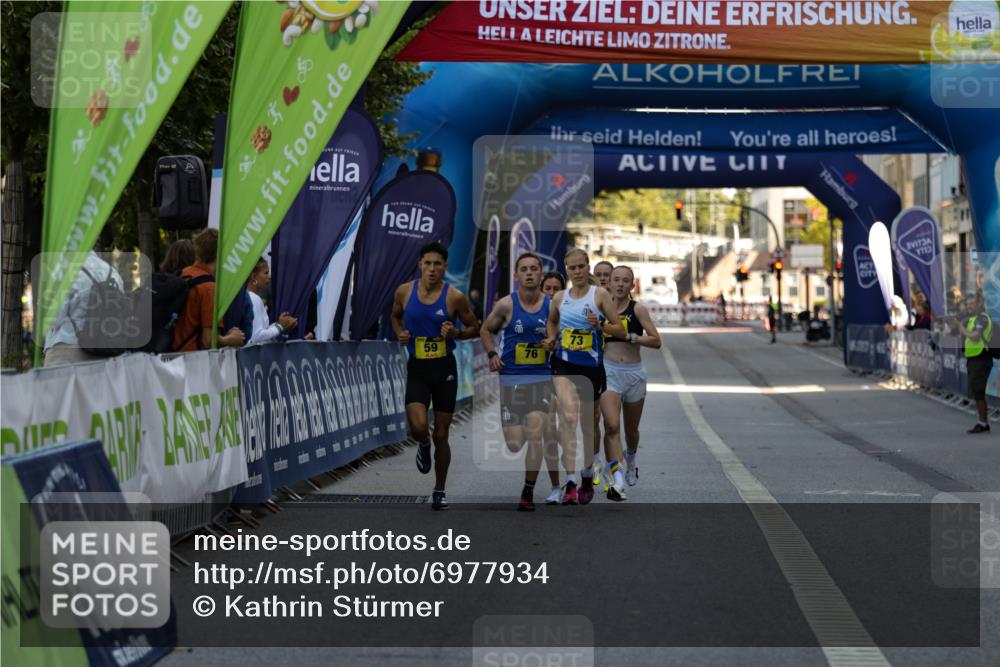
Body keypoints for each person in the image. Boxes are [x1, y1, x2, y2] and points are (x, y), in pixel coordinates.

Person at [391, 242, 479, 510]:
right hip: (418, 367)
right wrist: (399, 333)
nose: (431, 269)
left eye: (437, 264)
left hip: (444, 370)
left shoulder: (455, 297)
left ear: (445, 267)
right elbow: (395, 317)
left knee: (442, 433)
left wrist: (457, 334)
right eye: (427, 263)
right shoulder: (405, 291)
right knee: (419, 427)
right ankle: (422, 443)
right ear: (420, 265)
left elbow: (474, 326)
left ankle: (439, 490)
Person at [543, 248, 625, 504]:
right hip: (564, 364)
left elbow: (620, 330)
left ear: (587, 267)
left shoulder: (599, 295)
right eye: (572, 268)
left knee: (589, 423)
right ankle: (570, 480)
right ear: (566, 269)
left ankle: (588, 474)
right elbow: (552, 321)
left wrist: (599, 325)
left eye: (581, 267)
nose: (577, 272)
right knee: (567, 416)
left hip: (591, 367)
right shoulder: (559, 298)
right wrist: (552, 338)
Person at [481, 253, 554, 511]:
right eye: (524, 269)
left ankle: (528, 491)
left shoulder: (553, 305)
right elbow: (485, 329)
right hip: (511, 379)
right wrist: (492, 354)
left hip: (542, 378)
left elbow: (564, 334)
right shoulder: (506, 305)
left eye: (534, 269)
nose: (530, 273)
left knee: (536, 434)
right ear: (516, 275)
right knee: (514, 443)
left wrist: (553, 342)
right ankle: (520, 435)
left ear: (541, 274)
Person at [602, 265, 661, 489]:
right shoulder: (601, 309)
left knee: (631, 430)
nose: (619, 284)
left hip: (634, 373)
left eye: (625, 281)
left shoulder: (638, 310)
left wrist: (631, 337)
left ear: (631, 285)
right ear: (609, 283)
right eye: (616, 280)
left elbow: (656, 341)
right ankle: (616, 476)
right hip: (609, 372)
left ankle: (631, 458)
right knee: (612, 425)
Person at [43, 251, 124, 367]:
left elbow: (54, 319)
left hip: (67, 351)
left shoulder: (64, 272)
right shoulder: (114, 273)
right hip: (105, 354)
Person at [173, 229, 245, 351]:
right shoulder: (209, 288)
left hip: (172, 358)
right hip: (194, 360)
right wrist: (232, 339)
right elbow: (208, 341)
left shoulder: (183, 274)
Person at [539, 271, 567, 504]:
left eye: (555, 289)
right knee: (548, 432)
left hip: (564, 375)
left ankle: (569, 481)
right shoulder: (532, 312)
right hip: (537, 377)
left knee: (561, 430)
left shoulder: (569, 312)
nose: (550, 293)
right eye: (546, 288)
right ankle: (556, 485)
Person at [961, 292, 994, 434]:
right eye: (968, 304)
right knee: (976, 392)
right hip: (974, 359)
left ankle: (983, 423)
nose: (969, 307)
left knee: (979, 392)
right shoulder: (972, 319)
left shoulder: (982, 318)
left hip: (981, 359)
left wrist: (962, 329)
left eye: (972, 304)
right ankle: (982, 422)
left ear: (980, 303)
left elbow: (975, 336)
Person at [246, 258, 297, 345]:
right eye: (266, 273)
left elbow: (259, 332)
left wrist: (279, 324)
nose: (269, 276)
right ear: (254, 277)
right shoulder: (254, 299)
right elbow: (256, 336)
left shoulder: (249, 296)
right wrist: (280, 327)